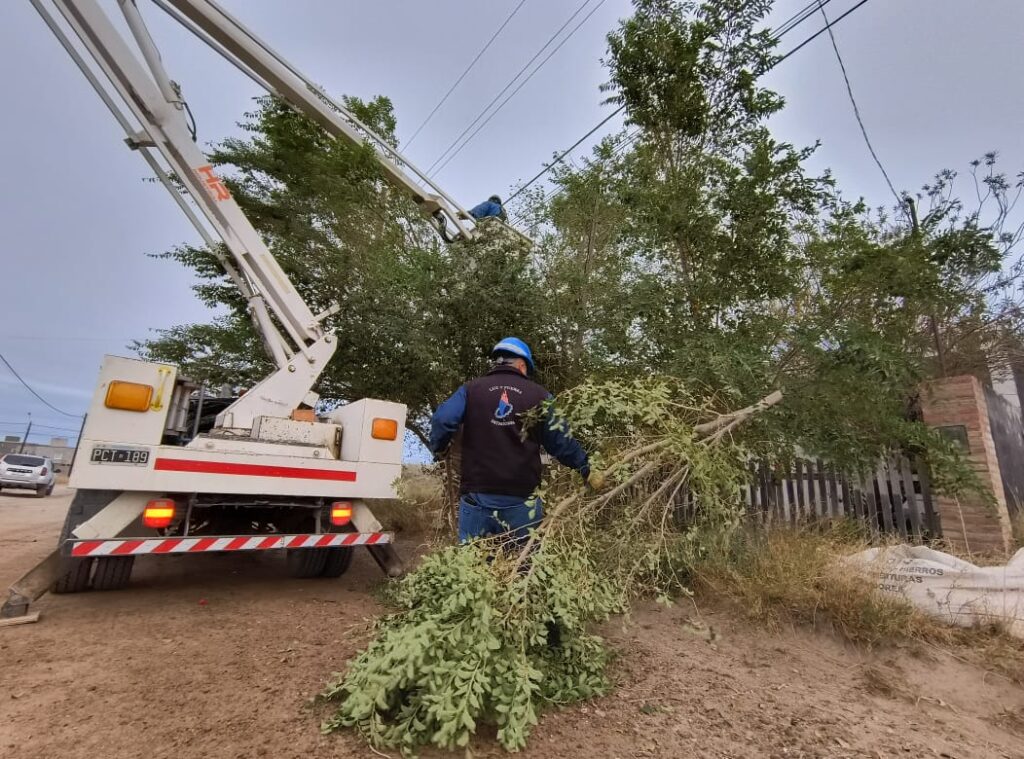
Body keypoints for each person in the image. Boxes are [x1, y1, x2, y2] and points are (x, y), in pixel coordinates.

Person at [428, 337, 593, 547]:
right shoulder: (540, 396)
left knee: (473, 562)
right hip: (522, 500)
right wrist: (586, 468)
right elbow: (561, 442)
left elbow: (443, 420)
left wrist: (439, 447)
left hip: (478, 496)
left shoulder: (471, 390)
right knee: (523, 562)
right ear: (522, 365)